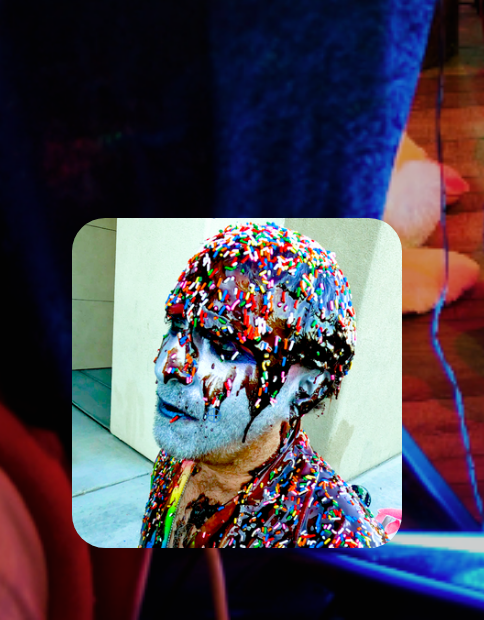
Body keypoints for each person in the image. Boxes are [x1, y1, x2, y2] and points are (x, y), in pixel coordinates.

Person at [138, 222, 383, 547]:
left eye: (224, 347)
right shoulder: (176, 458)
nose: (166, 366)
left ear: (306, 388)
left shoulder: (336, 539)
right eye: (175, 324)